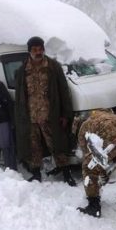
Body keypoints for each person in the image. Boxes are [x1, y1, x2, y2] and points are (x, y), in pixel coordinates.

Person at [14, 36, 76, 186]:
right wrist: (19, 118)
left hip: (51, 116)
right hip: (31, 118)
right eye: (35, 49)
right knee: (33, 148)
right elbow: (19, 98)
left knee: (57, 146)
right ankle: (36, 174)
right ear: (29, 51)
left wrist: (65, 114)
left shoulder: (53, 67)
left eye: (40, 48)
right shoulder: (22, 71)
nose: (38, 52)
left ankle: (66, 173)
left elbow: (64, 92)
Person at [76, 110, 116, 218]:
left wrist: (100, 171)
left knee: (88, 167)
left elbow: (89, 156)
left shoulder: (84, 126)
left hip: (111, 136)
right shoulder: (106, 115)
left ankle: (93, 206)